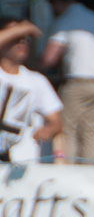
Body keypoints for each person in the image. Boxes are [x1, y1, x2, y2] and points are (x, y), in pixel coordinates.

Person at [38, 0, 94, 163]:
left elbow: (49, 59)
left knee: (67, 129)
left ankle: (69, 173)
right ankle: (91, 172)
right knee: (91, 132)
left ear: (57, 2)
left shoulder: (65, 21)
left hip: (77, 83)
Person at [0, 17, 63, 162]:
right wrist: (24, 28)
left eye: (25, 39)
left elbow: (55, 120)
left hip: (22, 163)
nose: (21, 44)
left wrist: (48, 130)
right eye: (15, 38)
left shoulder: (37, 80)